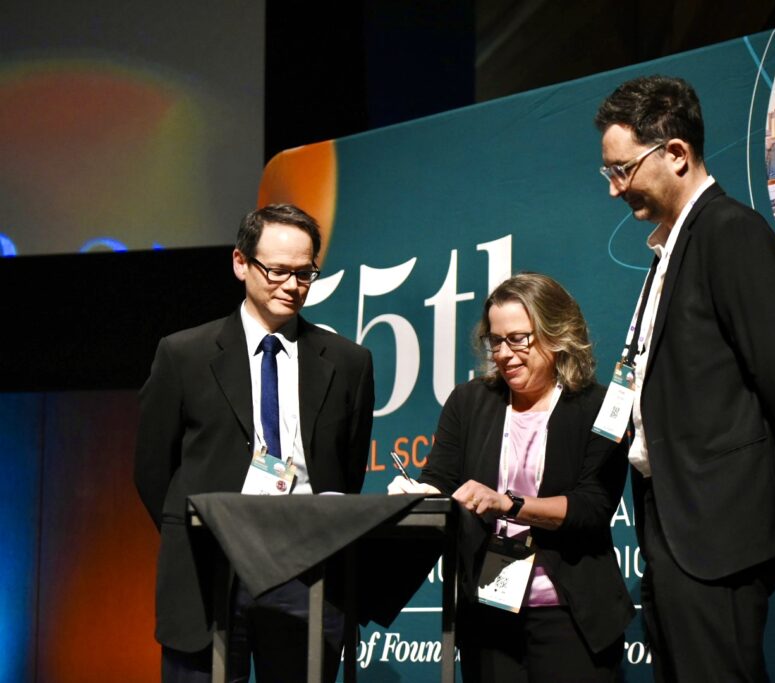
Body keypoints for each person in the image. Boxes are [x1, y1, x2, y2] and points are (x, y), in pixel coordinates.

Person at [593, 75, 775, 682]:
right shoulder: (671, 251)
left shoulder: (731, 232)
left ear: (676, 154)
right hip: (674, 526)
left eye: (622, 170)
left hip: (717, 530)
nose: (614, 189)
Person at [134, 203, 374, 682]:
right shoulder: (184, 354)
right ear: (241, 263)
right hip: (208, 570)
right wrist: (203, 534)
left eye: (305, 273)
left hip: (306, 570)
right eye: (277, 270)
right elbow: (152, 468)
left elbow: (348, 471)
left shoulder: (349, 363)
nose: (292, 285)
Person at [389, 273, 634, 682]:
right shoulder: (469, 402)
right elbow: (440, 479)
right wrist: (418, 493)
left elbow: (592, 507)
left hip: (572, 618)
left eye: (519, 339)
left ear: (557, 334)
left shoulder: (597, 406)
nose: (504, 354)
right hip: (489, 619)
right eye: (496, 341)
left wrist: (510, 504)